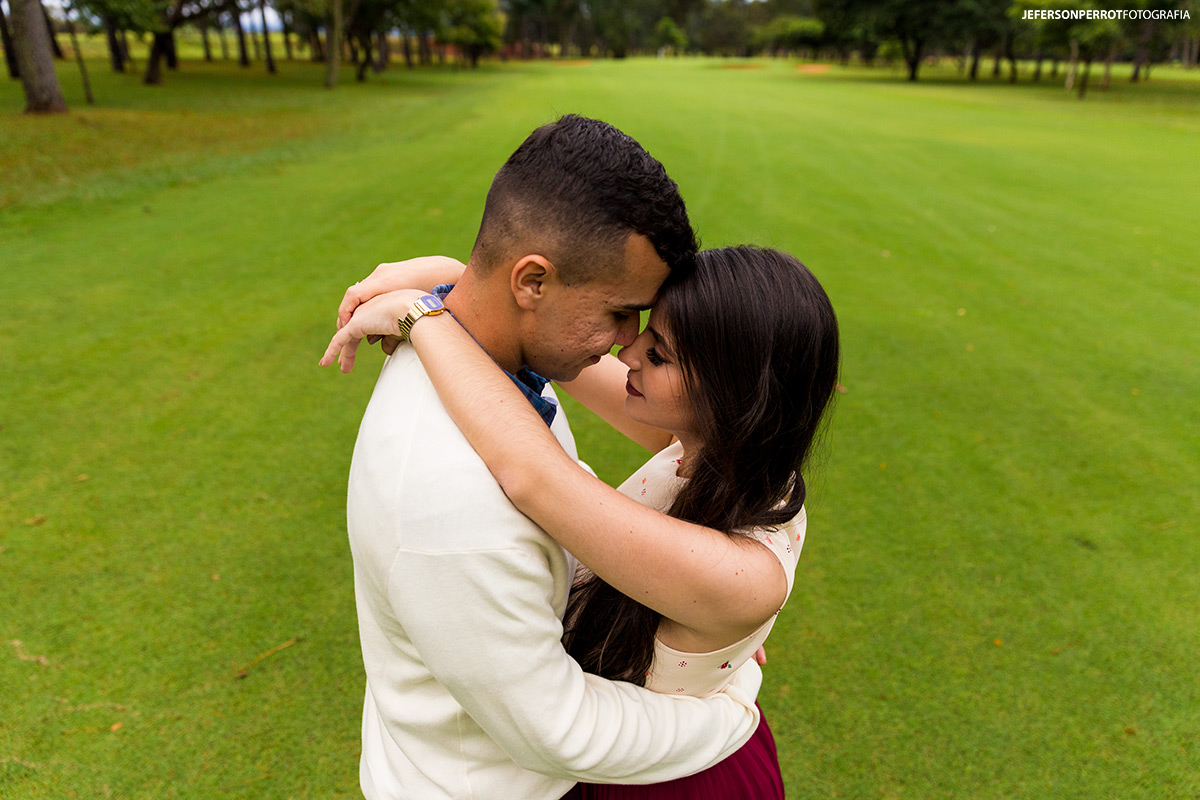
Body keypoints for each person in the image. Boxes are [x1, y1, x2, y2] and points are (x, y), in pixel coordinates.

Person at [322, 115, 770, 800]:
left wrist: (439, 288)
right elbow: (559, 730)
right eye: (622, 311)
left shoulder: (493, 359)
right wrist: (729, 706)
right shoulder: (449, 499)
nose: (627, 344)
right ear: (531, 282)